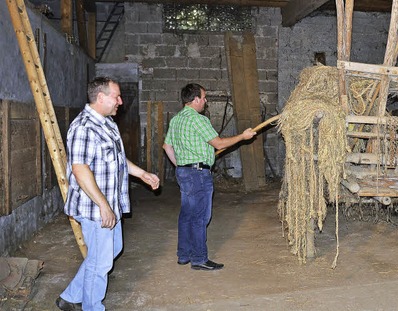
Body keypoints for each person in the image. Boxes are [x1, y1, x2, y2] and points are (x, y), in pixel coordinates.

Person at [56, 77, 160, 311]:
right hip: (93, 207)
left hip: (109, 203)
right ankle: (92, 307)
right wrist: (103, 205)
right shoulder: (84, 127)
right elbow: (79, 169)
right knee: (100, 263)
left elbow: (117, 159)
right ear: (101, 98)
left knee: (112, 251)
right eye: (116, 96)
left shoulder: (108, 123)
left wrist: (141, 174)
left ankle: (70, 296)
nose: (120, 102)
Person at [163, 83, 256, 271]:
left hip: (184, 172)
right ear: (195, 99)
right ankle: (199, 258)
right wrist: (243, 137)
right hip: (198, 174)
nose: (205, 102)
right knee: (199, 217)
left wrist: (181, 166)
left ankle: (184, 255)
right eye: (204, 98)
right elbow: (219, 143)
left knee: (187, 214)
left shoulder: (176, 120)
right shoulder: (198, 120)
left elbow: (167, 147)